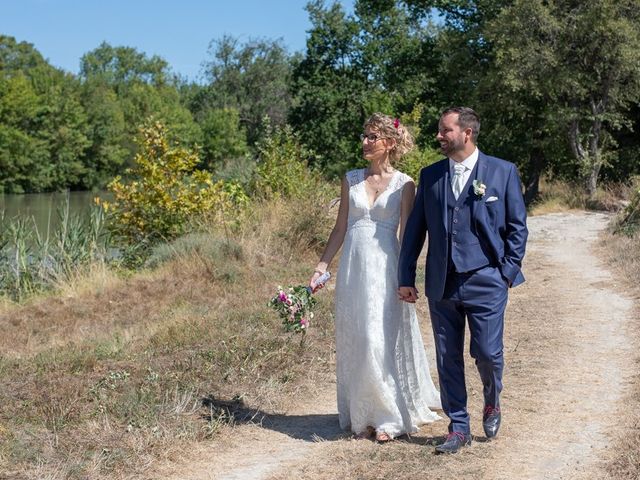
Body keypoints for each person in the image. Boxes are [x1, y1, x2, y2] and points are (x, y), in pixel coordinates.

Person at [398, 106, 528, 454]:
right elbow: (415, 232)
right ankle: (458, 426)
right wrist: (405, 275)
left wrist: (506, 273)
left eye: (445, 130)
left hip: (487, 278)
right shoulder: (431, 176)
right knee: (446, 355)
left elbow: (517, 227)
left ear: (466, 133)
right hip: (442, 282)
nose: (439, 136)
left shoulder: (502, 172)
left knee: (487, 352)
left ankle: (492, 399)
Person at [309, 113, 441, 442]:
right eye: (364, 135)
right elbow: (340, 228)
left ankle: (389, 417)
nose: (365, 142)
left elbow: (407, 234)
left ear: (390, 144)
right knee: (359, 337)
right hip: (354, 268)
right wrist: (322, 266)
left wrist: (406, 276)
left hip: (386, 267)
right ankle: (363, 414)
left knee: (380, 338)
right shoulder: (351, 179)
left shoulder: (404, 184)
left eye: (372, 137)